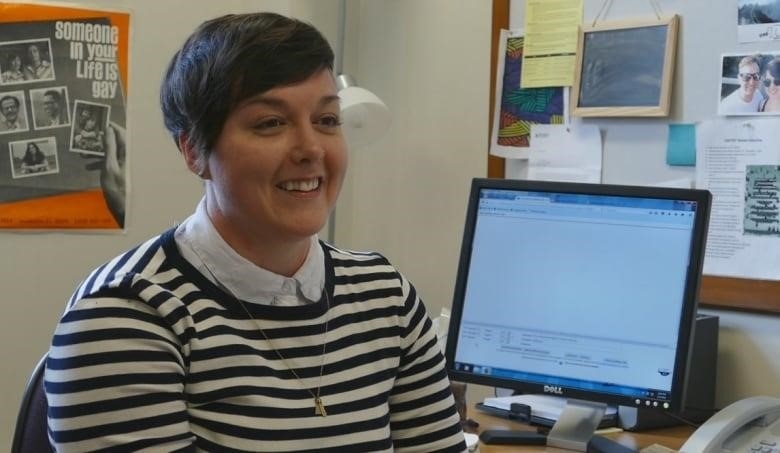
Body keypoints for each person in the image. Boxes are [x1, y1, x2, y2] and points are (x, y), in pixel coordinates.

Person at [45, 12, 467, 452]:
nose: (311, 149)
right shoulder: (125, 314)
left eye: (326, 120)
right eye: (270, 123)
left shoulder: (386, 297)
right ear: (193, 151)